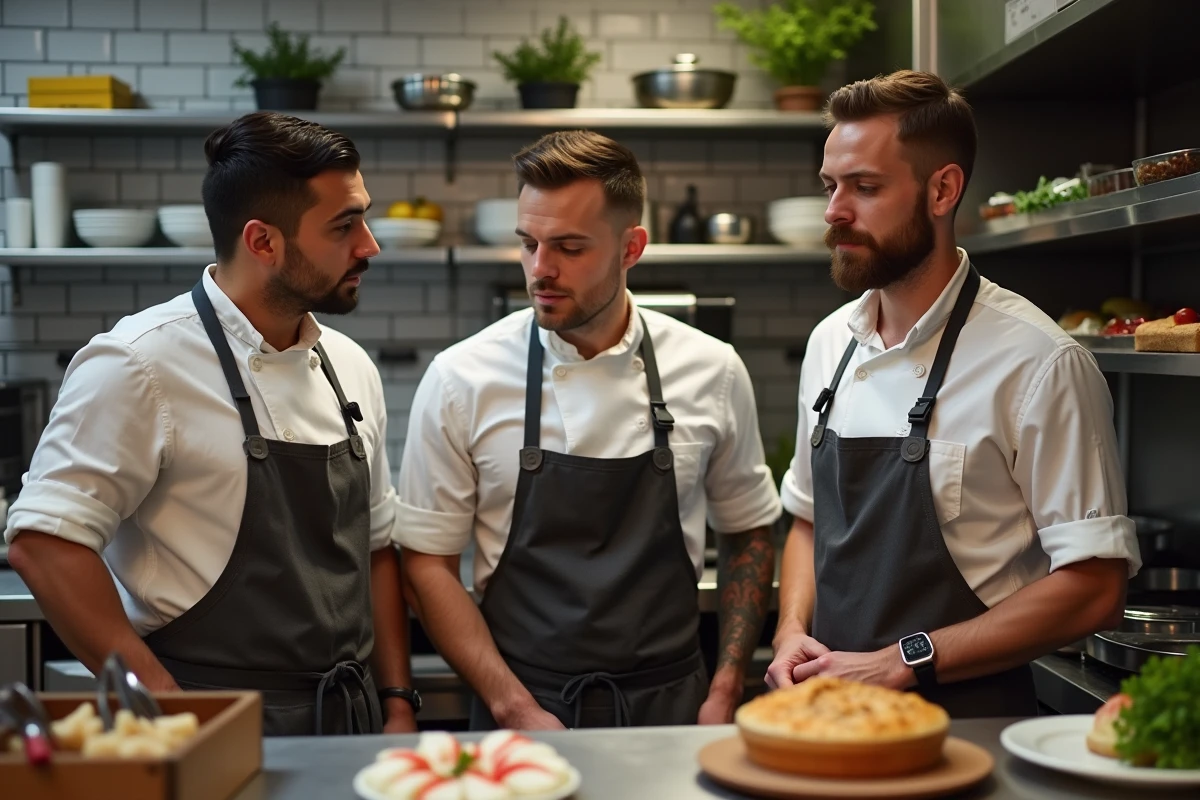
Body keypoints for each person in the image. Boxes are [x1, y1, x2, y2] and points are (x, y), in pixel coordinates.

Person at [6, 112, 418, 736]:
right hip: (211, 723)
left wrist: (396, 701)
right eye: (344, 225)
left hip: (350, 719)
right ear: (263, 242)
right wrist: (171, 711)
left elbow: (377, 547)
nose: (369, 244)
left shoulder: (349, 365)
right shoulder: (139, 361)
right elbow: (43, 544)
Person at [766, 71, 1140, 717]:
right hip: (830, 712)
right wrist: (790, 630)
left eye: (865, 187)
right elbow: (806, 518)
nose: (834, 212)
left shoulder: (1038, 361)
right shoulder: (833, 341)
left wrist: (904, 659)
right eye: (831, 186)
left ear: (942, 189)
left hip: (969, 720)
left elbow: (1094, 586)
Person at [397, 130, 781, 730]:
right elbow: (425, 565)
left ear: (632, 248)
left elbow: (750, 534)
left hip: (673, 709)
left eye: (570, 248)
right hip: (520, 711)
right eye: (528, 244)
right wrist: (513, 706)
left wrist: (726, 689)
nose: (540, 270)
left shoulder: (713, 369)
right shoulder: (460, 379)